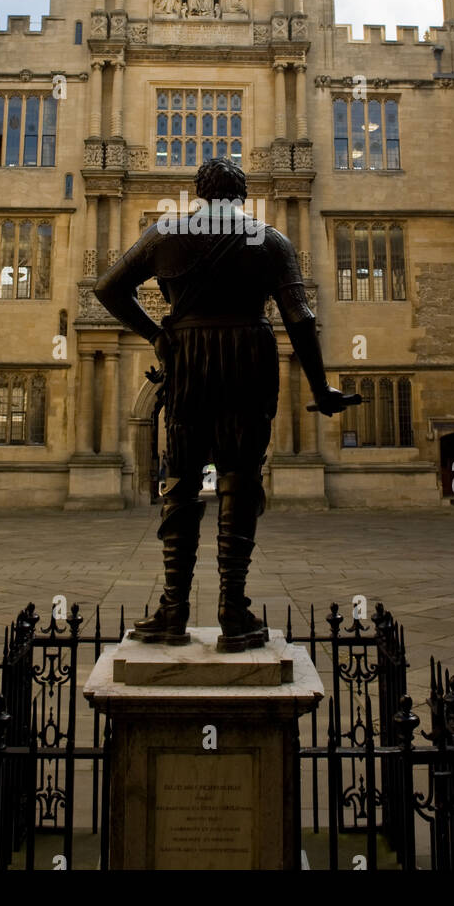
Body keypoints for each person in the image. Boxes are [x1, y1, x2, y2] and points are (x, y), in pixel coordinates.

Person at [94, 158, 354, 651]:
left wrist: (155, 336)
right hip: (248, 356)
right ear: (241, 195)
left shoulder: (164, 233)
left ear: (198, 192)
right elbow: (299, 317)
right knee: (239, 479)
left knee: (182, 482)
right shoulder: (271, 240)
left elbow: (108, 288)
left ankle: (173, 610)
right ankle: (233, 611)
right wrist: (321, 388)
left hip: (188, 356)